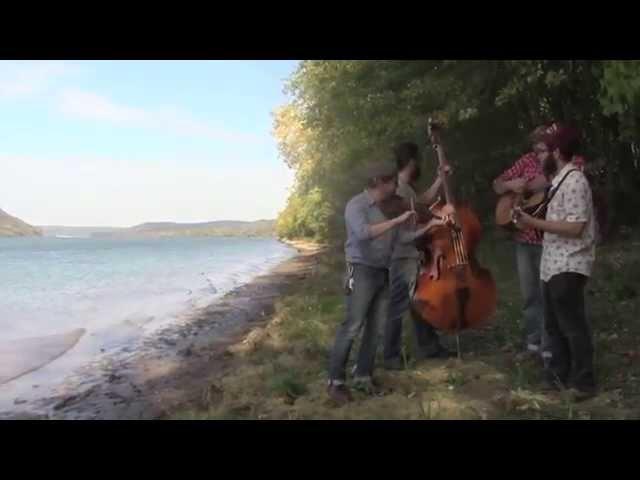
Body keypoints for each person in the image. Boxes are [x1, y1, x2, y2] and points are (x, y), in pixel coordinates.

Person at [513, 125, 597, 401]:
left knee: (572, 326)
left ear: (557, 152)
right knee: (552, 325)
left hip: (569, 263)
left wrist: (532, 222)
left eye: (543, 151)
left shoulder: (574, 181)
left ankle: (584, 383)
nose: (539, 157)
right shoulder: (559, 179)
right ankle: (557, 376)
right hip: (552, 263)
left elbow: (575, 227)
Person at [327, 161, 415, 405]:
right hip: (362, 270)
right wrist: (396, 221)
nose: (396, 186)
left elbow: (401, 237)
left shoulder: (386, 208)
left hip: (382, 270)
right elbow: (364, 233)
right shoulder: (356, 205)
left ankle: (363, 375)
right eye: (392, 182)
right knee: (352, 325)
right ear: (379, 182)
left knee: (375, 328)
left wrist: (430, 226)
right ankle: (335, 381)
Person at [383, 141, 456, 370]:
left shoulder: (404, 186)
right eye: (418, 162)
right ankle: (391, 356)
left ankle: (429, 345)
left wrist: (438, 180)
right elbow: (422, 208)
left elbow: (422, 201)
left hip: (410, 253)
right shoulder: (398, 188)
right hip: (400, 255)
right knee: (399, 306)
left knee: (418, 302)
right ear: (412, 162)